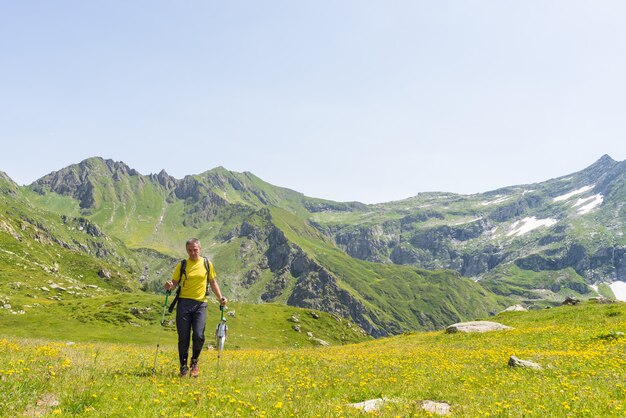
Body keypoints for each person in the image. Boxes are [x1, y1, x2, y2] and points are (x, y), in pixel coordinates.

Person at [164, 238, 227, 377]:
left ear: (200, 249)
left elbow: (213, 281)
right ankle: (183, 366)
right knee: (184, 337)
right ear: (187, 251)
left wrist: (220, 298)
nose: (193, 252)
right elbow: (174, 283)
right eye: (190, 250)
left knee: (199, 336)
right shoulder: (183, 265)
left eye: (195, 250)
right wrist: (169, 286)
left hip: (200, 304)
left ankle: (194, 362)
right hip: (183, 304)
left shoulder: (206, 264)